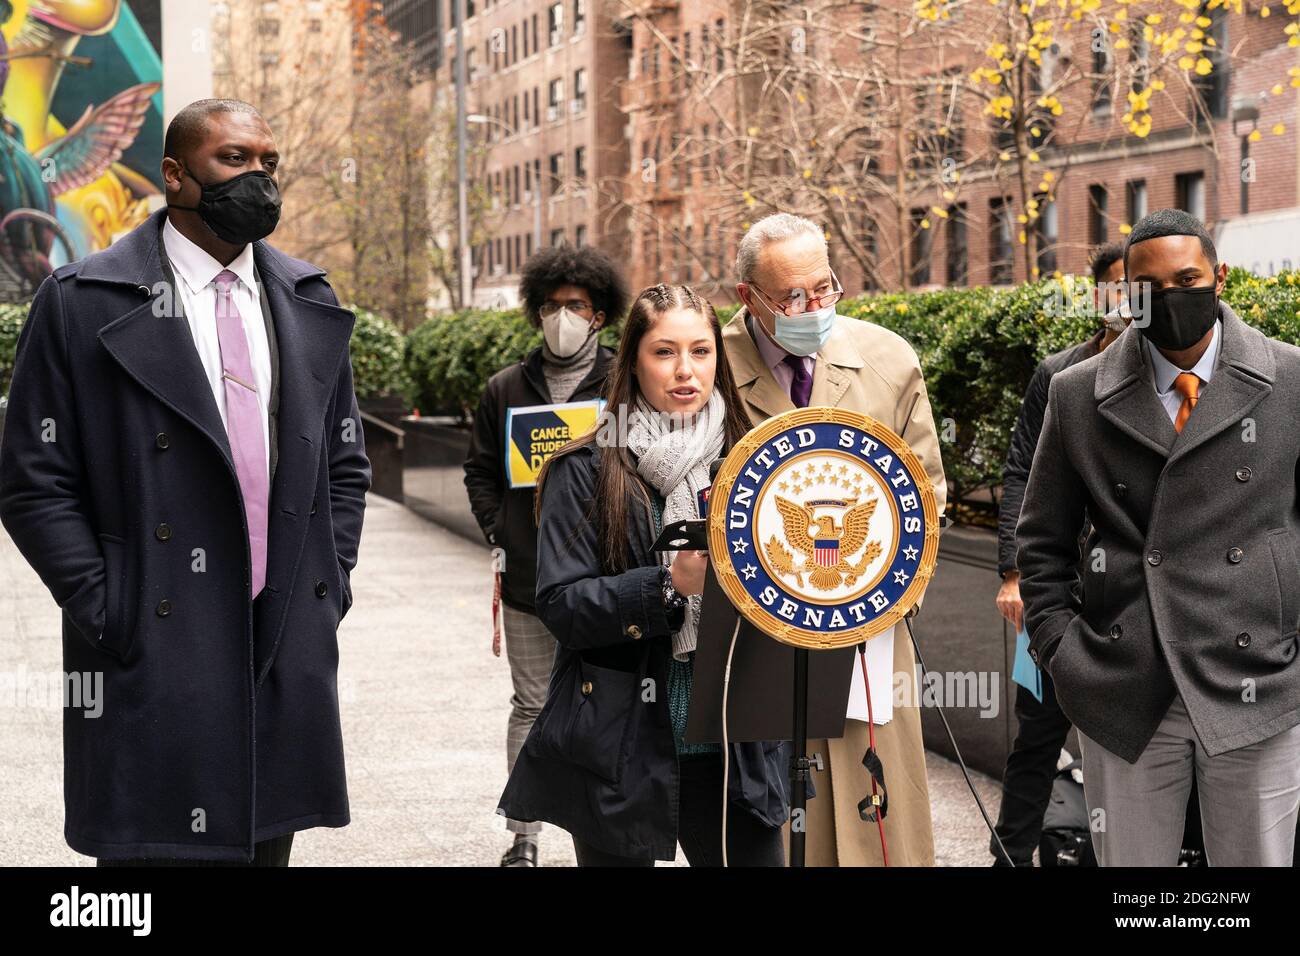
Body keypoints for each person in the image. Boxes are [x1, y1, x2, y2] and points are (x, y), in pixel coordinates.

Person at [0, 99, 371, 865]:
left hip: (280, 650)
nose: (260, 178)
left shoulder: (309, 299)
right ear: (175, 175)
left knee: (267, 842)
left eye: (269, 162)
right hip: (152, 654)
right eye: (235, 160)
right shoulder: (80, 301)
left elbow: (344, 464)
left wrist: (327, 592)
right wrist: (112, 608)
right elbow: (34, 481)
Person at [1017, 208, 1300, 866]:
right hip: (1126, 688)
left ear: (1220, 278)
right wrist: (1066, 653)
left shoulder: (1290, 382)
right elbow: (1041, 544)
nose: (1171, 299)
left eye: (1188, 279)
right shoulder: (1078, 393)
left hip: (1257, 681)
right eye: (1149, 287)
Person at [497, 284, 792, 866]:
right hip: (621, 743)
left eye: (701, 351)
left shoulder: (760, 460)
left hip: (736, 746)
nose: (686, 370)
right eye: (664, 352)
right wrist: (667, 588)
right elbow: (562, 605)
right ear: (632, 359)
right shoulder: (584, 468)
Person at [724, 213, 948, 866]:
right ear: (749, 298)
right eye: (791, 298)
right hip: (754, 641)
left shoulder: (888, 360)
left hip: (868, 632)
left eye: (823, 289)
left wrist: (888, 599)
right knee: (779, 822)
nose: (812, 308)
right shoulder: (707, 363)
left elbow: (926, 496)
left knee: (874, 810)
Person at [463, 245, 627, 867]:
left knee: (607, 699)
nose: (563, 316)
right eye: (553, 306)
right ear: (535, 311)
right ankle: (524, 837)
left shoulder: (623, 382)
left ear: (600, 314)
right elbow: (479, 470)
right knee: (531, 705)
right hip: (531, 577)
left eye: (577, 306)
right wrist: (499, 529)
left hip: (606, 578)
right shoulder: (504, 388)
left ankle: (606, 828)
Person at [989, 242, 1127, 865]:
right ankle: (1011, 856)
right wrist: (1015, 572)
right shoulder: (1059, 374)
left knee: (1125, 743)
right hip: (1053, 591)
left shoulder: (1177, 378)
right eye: (1120, 286)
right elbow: (1021, 473)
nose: (1132, 300)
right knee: (1037, 734)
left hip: (1129, 597)